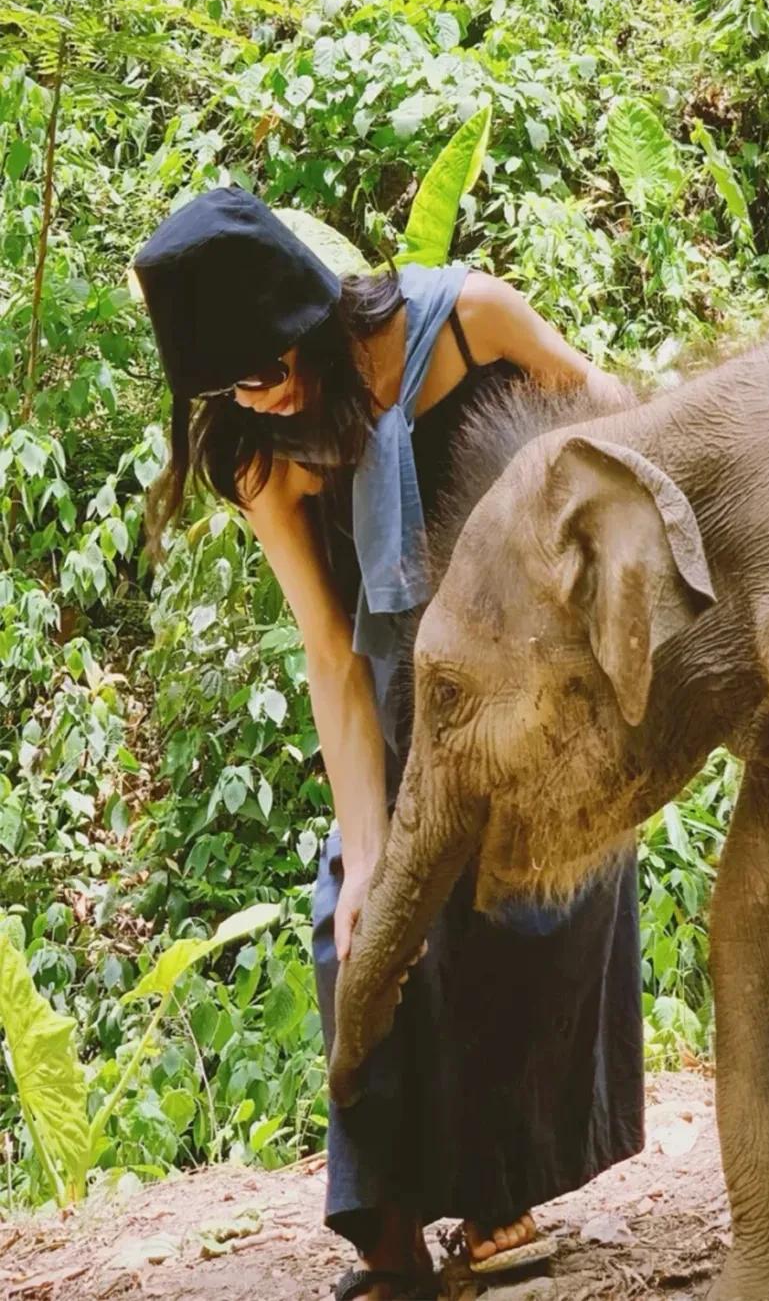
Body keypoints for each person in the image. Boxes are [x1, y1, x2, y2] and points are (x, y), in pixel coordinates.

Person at [134, 189, 645, 1301]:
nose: (260, 397)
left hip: (538, 684)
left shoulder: (468, 321)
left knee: (510, 920)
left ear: (307, 312)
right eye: (230, 386)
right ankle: (390, 1242)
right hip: (403, 708)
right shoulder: (260, 452)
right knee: (356, 928)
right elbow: (332, 655)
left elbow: (614, 417)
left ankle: (499, 1206)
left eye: (267, 368)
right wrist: (365, 854)